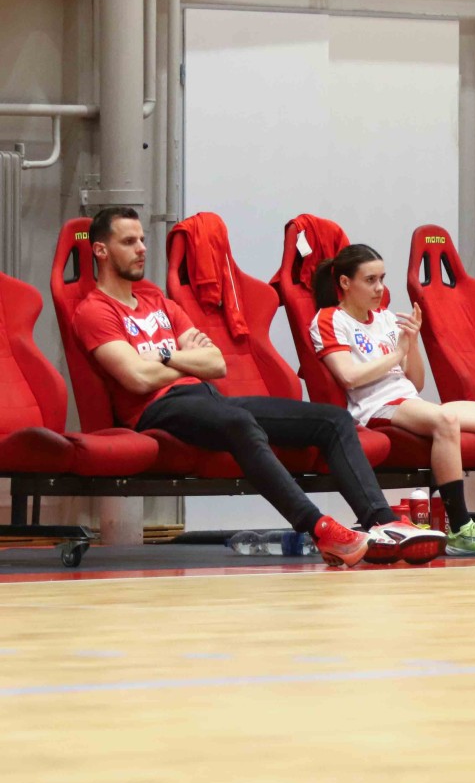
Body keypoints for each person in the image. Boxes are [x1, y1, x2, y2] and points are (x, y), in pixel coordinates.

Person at [73, 207, 432, 568]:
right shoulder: (95, 311)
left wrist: (164, 356)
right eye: (129, 241)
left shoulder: (157, 302)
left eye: (142, 240)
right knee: (239, 422)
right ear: (101, 250)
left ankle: (383, 523)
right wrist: (184, 360)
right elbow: (136, 378)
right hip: (157, 409)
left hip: (206, 397)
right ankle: (320, 528)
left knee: (334, 420)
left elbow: (215, 364)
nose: (141, 249)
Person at [310, 244, 475, 556]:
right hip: (374, 406)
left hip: (408, 400)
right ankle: (461, 529)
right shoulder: (330, 319)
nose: (379, 288)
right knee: (446, 419)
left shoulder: (386, 318)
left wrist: (412, 343)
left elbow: (416, 381)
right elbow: (349, 377)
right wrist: (397, 352)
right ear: (345, 282)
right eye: (370, 280)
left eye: (382, 279)